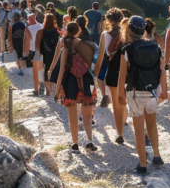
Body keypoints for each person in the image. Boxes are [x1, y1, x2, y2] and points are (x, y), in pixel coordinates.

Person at [117, 16, 165, 173]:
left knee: (139, 129)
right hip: (152, 92)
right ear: (144, 31)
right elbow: (161, 69)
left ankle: (143, 164)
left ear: (128, 30)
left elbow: (122, 75)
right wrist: (163, 90)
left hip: (135, 92)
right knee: (152, 124)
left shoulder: (127, 50)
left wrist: (120, 94)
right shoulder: (155, 46)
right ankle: (157, 155)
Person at [55, 22, 98, 151]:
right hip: (88, 81)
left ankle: (75, 143)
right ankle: (89, 141)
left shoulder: (66, 47)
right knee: (87, 114)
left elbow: (61, 70)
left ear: (66, 31)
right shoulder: (86, 45)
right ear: (78, 31)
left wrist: (57, 91)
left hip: (70, 82)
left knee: (72, 114)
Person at [94, 9, 127, 140]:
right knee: (123, 100)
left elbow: (101, 56)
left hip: (113, 69)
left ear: (107, 20)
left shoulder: (105, 35)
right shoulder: (126, 33)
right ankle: (124, 121)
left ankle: (120, 134)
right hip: (127, 69)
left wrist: (96, 73)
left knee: (116, 103)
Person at [39, 14, 62, 98]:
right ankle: (54, 88)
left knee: (46, 69)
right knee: (55, 69)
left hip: (46, 53)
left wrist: (42, 52)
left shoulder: (43, 31)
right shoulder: (56, 32)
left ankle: (48, 90)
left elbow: (40, 44)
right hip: (54, 53)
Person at [26, 13, 44, 94]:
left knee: (35, 71)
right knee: (42, 69)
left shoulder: (28, 28)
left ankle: (36, 89)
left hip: (34, 50)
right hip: (43, 50)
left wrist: (25, 53)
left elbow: (27, 41)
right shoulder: (42, 26)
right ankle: (42, 86)